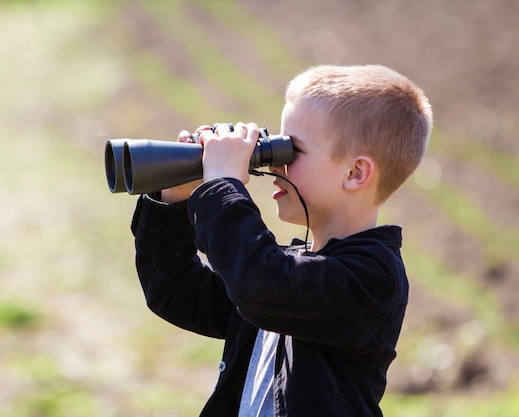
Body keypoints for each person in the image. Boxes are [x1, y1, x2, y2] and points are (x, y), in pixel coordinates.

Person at [130, 64, 433, 416]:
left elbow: (260, 283)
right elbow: (175, 292)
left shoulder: (372, 278)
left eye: (293, 151)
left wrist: (223, 187)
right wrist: (174, 200)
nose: (275, 166)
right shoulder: (288, 271)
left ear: (355, 173)